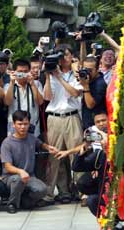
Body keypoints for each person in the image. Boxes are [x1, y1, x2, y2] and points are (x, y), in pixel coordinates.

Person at [43, 44, 84, 204]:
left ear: (71, 56)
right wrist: (48, 76)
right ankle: (58, 191)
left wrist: (60, 77)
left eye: (66, 55)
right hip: (54, 117)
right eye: (60, 56)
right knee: (55, 155)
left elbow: (75, 93)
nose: (63, 59)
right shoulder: (51, 74)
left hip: (72, 116)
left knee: (77, 154)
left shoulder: (76, 73)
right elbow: (47, 97)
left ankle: (82, 191)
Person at [0, 110, 58, 214]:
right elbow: (8, 167)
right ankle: (12, 204)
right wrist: (20, 172)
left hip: (30, 176)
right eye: (19, 124)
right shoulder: (7, 143)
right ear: (13, 125)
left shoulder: (31, 138)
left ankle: (24, 201)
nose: (22, 127)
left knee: (43, 189)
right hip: (11, 177)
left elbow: (40, 144)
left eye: (25, 124)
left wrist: (48, 148)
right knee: (18, 180)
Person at [4, 59, 44, 137]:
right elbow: (7, 102)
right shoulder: (8, 85)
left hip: (32, 124)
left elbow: (40, 102)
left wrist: (32, 84)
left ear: (29, 71)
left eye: (25, 72)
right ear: (14, 72)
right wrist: (12, 82)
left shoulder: (37, 84)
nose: (23, 74)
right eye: (20, 71)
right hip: (14, 126)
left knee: (32, 147)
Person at [79, 56, 107, 130]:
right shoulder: (89, 80)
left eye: (90, 70)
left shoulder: (100, 84)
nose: (87, 73)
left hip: (97, 125)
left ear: (97, 69)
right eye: (85, 69)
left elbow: (90, 104)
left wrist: (85, 86)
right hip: (87, 122)